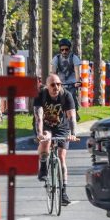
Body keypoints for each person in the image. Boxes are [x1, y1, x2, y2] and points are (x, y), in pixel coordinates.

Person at [34, 74, 78, 206]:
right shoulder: (41, 95)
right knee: (46, 139)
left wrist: (73, 134)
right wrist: (40, 134)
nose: (56, 87)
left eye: (58, 84)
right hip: (45, 126)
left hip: (62, 127)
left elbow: (71, 117)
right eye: (53, 85)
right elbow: (39, 117)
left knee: (62, 157)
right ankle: (43, 165)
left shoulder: (66, 95)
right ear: (47, 86)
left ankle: (63, 192)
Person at [51, 38, 82, 119]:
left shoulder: (74, 58)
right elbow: (53, 72)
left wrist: (78, 81)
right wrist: (53, 82)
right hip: (60, 83)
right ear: (60, 50)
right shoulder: (56, 58)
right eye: (62, 50)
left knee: (71, 97)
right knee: (59, 99)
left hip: (72, 83)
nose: (64, 51)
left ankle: (74, 111)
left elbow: (77, 70)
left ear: (69, 49)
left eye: (66, 49)